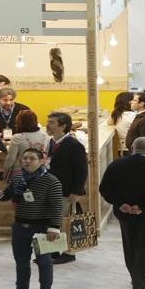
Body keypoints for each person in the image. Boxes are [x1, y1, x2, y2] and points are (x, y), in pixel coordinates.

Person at [99, 137, 145, 289]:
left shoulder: (116, 164)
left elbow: (105, 188)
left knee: (130, 246)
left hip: (125, 214)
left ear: (132, 147)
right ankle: (140, 284)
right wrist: (141, 205)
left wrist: (121, 203)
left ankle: (134, 277)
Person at [0, 148, 62, 289]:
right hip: (20, 228)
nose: (27, 161)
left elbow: (57, 206)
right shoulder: (18, 178)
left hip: (42, 229)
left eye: (32, 158)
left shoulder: (51, 181)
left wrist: (54, 227)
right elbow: (9, 194)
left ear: (41, 161)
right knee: (21, 263)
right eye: (25, 158)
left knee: (43, 262)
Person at [46, 112, 88, 265]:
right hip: (51, 189)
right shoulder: (51, 142)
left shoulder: (74, 145)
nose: (48, 125)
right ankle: (52, 251)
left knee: (65, 223)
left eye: (51, 123)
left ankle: (68, 252)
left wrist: (76, 191)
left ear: (63, 126)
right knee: (52, 221)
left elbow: (81, 170)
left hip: (66, 190)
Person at [4, 110, 49, 180]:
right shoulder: (45, 135)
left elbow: (11, 158)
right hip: (39, 171)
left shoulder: (17, 138)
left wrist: (5, 171)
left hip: (20, 171)